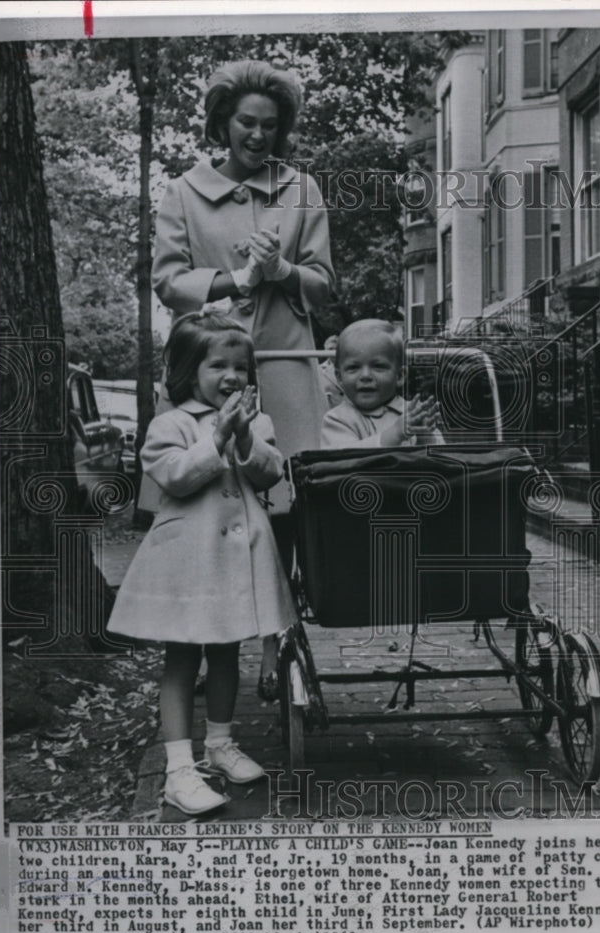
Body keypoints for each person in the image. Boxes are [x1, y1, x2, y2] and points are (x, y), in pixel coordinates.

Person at [149, 58, 334, 682]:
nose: (258, 137)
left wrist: (282, 273)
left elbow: (325, 287)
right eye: (246, 123)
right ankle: (205, 636)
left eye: (271, 126)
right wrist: (233, 280)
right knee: (205, 498)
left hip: (282, 367)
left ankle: (272, 645)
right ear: (223, 123)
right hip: (208, 370)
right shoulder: (182, 193)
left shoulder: (302, 191)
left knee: (278, 504)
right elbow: (168, 282)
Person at [108, 310, 296, 815]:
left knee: (228, 652)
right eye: (218, 366)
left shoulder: (259, 422)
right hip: (188, 562)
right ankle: (178, 768)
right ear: (191, 370)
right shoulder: (169, 423)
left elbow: (270, 474)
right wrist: (215, 441)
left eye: (241, 367)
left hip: (239, 559)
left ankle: (219, 742)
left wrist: (243, 439)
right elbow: (174, 476)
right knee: (182, 658)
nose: (232, 377)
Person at [321, 319, 444, 448]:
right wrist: (395, 434)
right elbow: (345, 460)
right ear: (339, 377)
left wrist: (425, 436)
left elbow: (442, 460)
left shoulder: (413, 413)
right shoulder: (337, 420)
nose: (365, 376)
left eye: (378, 366)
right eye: (354, 367)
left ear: (400, 376)